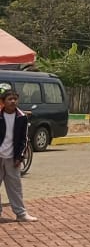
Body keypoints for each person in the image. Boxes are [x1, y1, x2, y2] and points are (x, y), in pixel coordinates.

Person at [0, 84, 37, 222]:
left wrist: (20, 157)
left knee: (15, 187)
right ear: (3, 101)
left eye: (15, 99)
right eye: (9, 99)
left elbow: (24, 139)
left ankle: (21, 214)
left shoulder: (21, 117)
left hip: (13, 158)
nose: (13, 101)